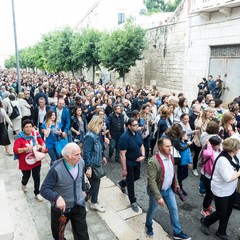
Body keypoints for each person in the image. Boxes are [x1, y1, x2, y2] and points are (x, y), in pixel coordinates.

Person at [40, 143, 89, 240]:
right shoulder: (56, 169)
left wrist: (83, 189)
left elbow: (81, 178)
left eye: (80, 153)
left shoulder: (81, 162)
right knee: (58, 236)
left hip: (78, 205)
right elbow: (44, 189)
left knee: (82, 235)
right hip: (61, 210)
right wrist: (57, 197)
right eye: (76, 154)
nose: (80, 157)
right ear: (67, 156)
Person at [145, 137, 191, 240]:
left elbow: (172, 171)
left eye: (171, 145)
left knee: (174, 209)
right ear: (160, 148)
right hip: (156, 191)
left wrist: (176, 183)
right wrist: (158, 197)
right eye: (167, 146)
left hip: (168, 190)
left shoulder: (170, 156)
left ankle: (177, 232)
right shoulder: (153, 162)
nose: (170, 148)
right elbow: (151, 181)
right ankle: (148, 225)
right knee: (152, 209)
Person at [200, 138, 240, 240]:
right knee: (221, 212)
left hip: (231, 190)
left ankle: (221, 232)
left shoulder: (233, 157)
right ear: (233, 148)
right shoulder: (223, 159)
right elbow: (227, 178)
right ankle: (205, 221)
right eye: (238, 147)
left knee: (228, 211)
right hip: (221, 191)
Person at [13, 119, 46, 201]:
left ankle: (37, 193)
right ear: (23, 128)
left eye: (30, 126)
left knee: (36, 177)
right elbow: (16, 150)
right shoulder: (19, 138)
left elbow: (42, 142)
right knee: (26, 177)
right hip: (25, 162)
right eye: (26, 127)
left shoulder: (35, 134)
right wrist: (25, 149)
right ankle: (23, 184)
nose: (29, 129)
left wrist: (43, 147)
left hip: (36, 160)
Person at [118, 118, 145, 212]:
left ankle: (122, 183)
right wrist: (124, 169)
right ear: (129, 126)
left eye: (137, 124)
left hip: (137, 160)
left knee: (136, 176)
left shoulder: (138, 133)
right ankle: (133, 201)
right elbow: (122, 154)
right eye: (134, 125)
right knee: (131, 183)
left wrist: (143, 155)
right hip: (128, 162)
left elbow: (141, 145)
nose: (137, 126)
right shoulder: (124, 137)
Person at [82, 116, 107, 213]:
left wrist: (103, 156)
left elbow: (100, 148)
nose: (103, 126)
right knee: (94, 186)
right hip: (92, 165)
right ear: (97, 124)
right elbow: (86, 153)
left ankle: (94, 202)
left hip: (97, 164)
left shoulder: (97, 134)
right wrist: (88, 167)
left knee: (97, 184)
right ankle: (82, 202)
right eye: (101, 124)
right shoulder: (90, 136)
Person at [200, 135, 222, 217]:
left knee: (211, 193)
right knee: (209, 193)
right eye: (218, 145)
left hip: (213, 176)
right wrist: (208, 144)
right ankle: (204, 209)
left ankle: (208, 206)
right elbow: (209, 154)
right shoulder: (207, 151)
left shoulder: (218, 150)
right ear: (212, 145)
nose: (219, 146)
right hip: (207, 175)